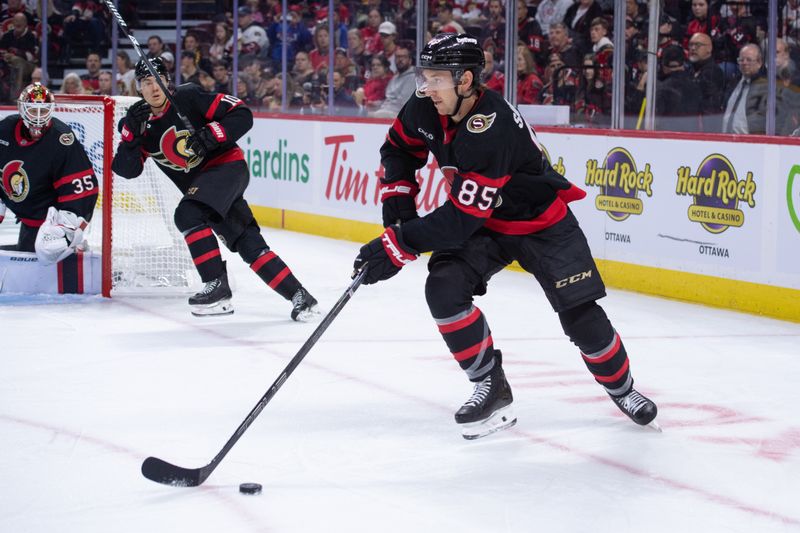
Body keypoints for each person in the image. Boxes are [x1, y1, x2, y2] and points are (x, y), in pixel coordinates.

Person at [352, 34, 657, 439]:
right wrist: (400, 214)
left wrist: (400, 243)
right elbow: (398, 151)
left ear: (465, 81)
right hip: (485, 225)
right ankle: (491, 385)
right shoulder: (425, 107)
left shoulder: (490, 127)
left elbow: (461, 218)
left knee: (582, 319)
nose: (426, 88)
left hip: (542, 224)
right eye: (424, 77)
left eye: (437, 79)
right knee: (443, 289)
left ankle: (624, 389)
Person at [111, 58, 319, 320]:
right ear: (138, 88)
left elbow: (242, 113)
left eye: (159, 80)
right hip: (205, 191)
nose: (154, 88)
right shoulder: (137, 122)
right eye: (147, 82)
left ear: (168, 81)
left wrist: (212, 134)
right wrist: (131, 136)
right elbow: (126, 170)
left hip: (228, 168)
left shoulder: (189, 97)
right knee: (247, 243)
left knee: (187, 214)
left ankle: (216, 285)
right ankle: (300, 296)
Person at [0, 83, 97, 264]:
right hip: (28, 217)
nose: (37, 117)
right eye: (32, 110)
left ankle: (75, 245)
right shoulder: (4, 130)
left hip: (52, 222)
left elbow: (83, 188)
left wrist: (67, 229)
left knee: (47, 248)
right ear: (21, 108)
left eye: (43, 110)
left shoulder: (62, 139)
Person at [722, 43, 766, 134]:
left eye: (749, 60)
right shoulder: (734, 83)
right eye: (741, 60)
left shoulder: (765, 87)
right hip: (726, 141)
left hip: (750, 143)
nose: (744, 63)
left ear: (759, 63)